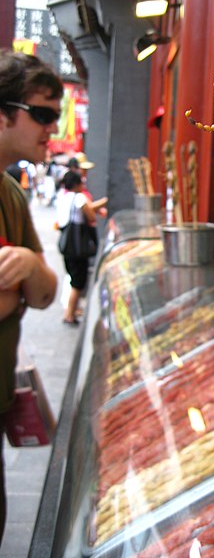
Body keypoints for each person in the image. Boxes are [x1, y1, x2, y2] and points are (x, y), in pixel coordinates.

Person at [0, 50, 61, 545]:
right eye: (42, 114)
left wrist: (29, 264)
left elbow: (44, 295)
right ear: (3, 112)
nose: (51, 128)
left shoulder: (10, 194)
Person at [56, 170, 107, 324]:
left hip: (67, 246)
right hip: (77, 247)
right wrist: (102, 205)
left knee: (73, 278)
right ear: (77, 184)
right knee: (78, 282)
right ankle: (69, 315)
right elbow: (90, 214)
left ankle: (72, 310)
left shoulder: (64, 198)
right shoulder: (78, 198)